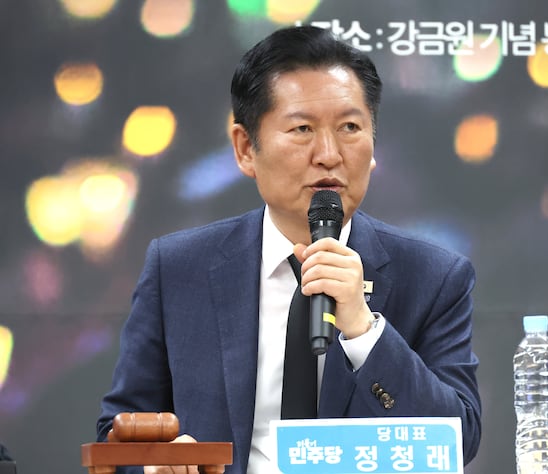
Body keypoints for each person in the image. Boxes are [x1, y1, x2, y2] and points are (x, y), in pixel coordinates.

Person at [97, 25, 481, 473]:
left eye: (350, 127)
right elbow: (117, 434)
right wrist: (156, 464)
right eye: (302, 129)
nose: (329, 154)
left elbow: (458, 440)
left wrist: (363, 330)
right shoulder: (179, 268)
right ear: (246, 148)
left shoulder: (434, 276)